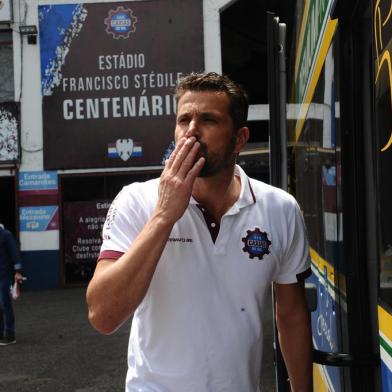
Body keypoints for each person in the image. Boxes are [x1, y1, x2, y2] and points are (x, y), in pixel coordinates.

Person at [86, 72, 313, 392]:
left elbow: (290, 314)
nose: (192, 131)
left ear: (240, 138)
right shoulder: (137, 201)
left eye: (208, 119)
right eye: (184, 120)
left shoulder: (280, 209)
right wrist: (164, 215)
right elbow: (103, 316)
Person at [0, 223, 23, 346]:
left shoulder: (6, 235)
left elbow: (15, 254)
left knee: (5, 305)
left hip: (3, 277)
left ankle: (10, 335)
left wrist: (18, 271)